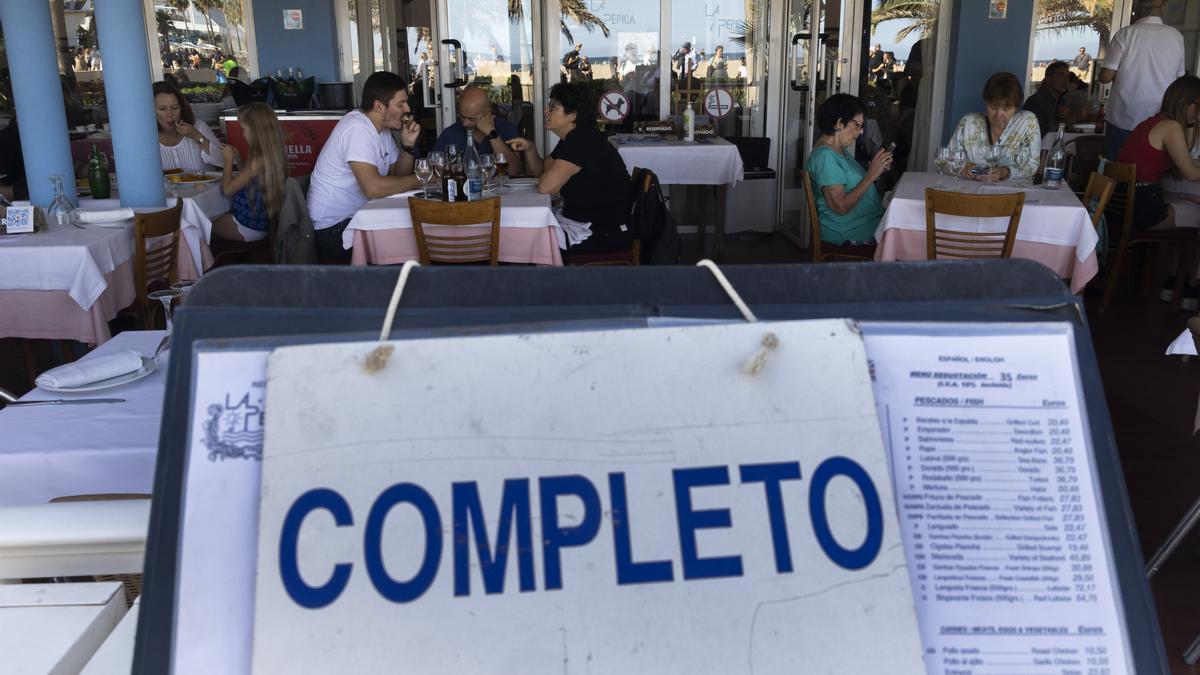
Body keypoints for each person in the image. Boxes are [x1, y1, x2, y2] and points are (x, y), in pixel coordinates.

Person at [505, 82, 635, 255]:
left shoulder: (581, 141)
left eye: (553, 107)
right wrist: (530, 149)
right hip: (588, 222)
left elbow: (546, 186)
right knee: (529, 237)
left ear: (572, 115)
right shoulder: (575, 137)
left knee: (527, 241)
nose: (546, 111)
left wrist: (549, 178)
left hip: (603, 231)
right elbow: (543, 172)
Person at [306, 71, 421, 262]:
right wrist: (421, 180)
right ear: (378, 106)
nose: (407, 109)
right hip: (333, 229)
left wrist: (408, 146)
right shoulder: (357, 129)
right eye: (400, 104)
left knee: (409, 240)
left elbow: (396, 175)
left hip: (358, 217)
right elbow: (373, 189)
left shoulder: (381, 129)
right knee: (407, 249)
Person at [1099, 0, 1185, 159]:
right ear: (1162, 10)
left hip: (1124, 117)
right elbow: (1179, 79)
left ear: (1136, 10)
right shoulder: (1176, 36)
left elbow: (1106, 77)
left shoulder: (1125, 34)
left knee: (1116, 170)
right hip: (1159, 119)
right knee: (1150, 171)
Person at [804, 93, 892, 246]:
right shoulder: (826, 157)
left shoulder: (838, 150)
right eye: (858, 125)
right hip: (851, 232)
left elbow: (852, 183)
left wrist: (876, 171)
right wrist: (870, 176)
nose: (861, 131)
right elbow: (840, 207)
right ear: (839, 123)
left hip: (867, 223)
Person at [1115, 76, 1200, 230]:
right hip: (1143, 211)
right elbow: (1192, 174)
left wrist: (1192, 123)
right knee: (1196, 212)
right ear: (1188, 102)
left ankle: (1158, 254)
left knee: (1184, 203)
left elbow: (1183, 158)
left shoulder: (1153, 122)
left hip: (1120, 206)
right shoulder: (1171, 127)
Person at [211, 103, 287, 243]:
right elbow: (250, 178)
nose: (243, 134)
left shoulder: (257, 159)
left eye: (244, 129)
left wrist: (227, 160)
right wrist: (239, 160)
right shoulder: (271, 154)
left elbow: (227, 190)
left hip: (247, 225)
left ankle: (215, 263)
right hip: (263, 224)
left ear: (255, 131)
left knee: (201, 224)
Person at [947, 72, 1041, 181]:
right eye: (993, 107)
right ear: (986, 102)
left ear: (1016, 108)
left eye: (1006, 109)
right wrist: (962, 170)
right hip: (969, 191)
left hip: (1010, 194)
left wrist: (1005, 172)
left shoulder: (1027, 122)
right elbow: (946, 160)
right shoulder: (968, 123)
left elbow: (1032, 165)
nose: (998, 115)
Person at [431, 86, 523, 173]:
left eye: (471, 119)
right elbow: (433, 171)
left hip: (499, 189)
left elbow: (514, 171)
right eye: (462, 117)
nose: (465, 123)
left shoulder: (505, 128)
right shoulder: (450, 133)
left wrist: (492, 133)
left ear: (487, 113)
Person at [154, 80, 223, 172]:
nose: (169, 114)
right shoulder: (144, 139)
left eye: (175, 108)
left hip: (206, 186)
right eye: (162, 109)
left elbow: (223, 160)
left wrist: (197, 136)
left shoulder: (199, 127)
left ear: (182, 108)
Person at [1023, 60, 1070, 137]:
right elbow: (1040, 134)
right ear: (1048, 79)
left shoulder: (1061, 100)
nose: (1065, 81)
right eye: (1061, 76)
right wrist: (1071, 119)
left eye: (1067, 77)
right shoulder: (1035, 102)